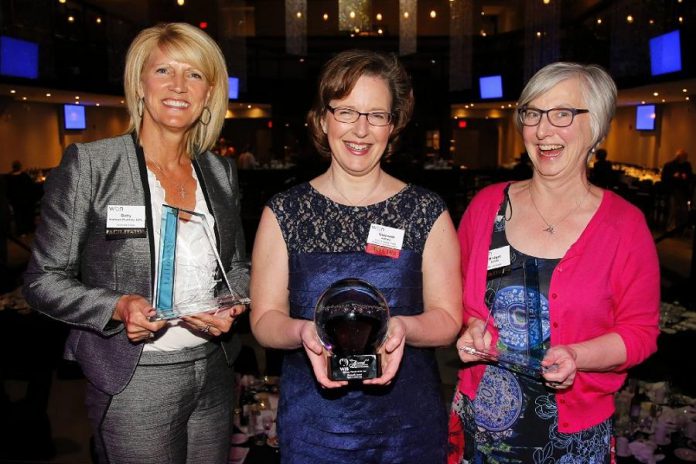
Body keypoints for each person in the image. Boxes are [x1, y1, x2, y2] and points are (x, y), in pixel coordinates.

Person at [23, 23, 249, 464]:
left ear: (208, 94)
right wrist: (116, 306)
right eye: (164, 70)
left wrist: (231, 303)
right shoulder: (92, 164)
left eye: (195, 74)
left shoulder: (220, 173)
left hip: (215, 369)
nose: (179, 85)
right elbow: (43, 281)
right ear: (140, 84)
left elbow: (237, 266)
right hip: (134, 376)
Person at [250, 49, 462, 463]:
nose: (360, 130)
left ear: (393, 124)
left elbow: (448, 320)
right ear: (322, 118)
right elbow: (262, 321)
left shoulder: (426, 210)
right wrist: (302, 333)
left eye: (376, 115)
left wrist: (401, 327)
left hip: (407, 425)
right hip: (314, 425)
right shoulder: (284, 212)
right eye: (346, 111)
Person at [449, 62, 660, 463]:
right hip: (481, 422)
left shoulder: (624, 226)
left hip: (572, 437)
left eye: (563, 114)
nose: (543, 131)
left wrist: (578, 355)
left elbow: (640, 332)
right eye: (532, 113)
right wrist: (471, 325)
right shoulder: (486, 206)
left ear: (595, 126)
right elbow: (455, 298)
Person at [661, 148, 693, 230]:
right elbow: (664, 179)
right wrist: (673, 176)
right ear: (678, 157)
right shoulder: (669, 165)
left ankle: (681, 228)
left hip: (683, 192)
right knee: (672, 208)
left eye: (685, 157)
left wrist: (685, 177)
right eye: (683, 157)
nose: (685, 159)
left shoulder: (687, 166)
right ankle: (670, 227)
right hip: (672, 191)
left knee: (684, 210)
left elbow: (690, 178)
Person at [6, 160, 38, 235]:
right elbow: (31, 187)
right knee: (27, 215)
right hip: (26, 200)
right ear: (20, 167)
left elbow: (8, 191)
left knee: (18, 216)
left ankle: (21, 231)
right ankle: (29, 229)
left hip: (15, 201)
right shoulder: (25, 176)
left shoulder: (9, 178)